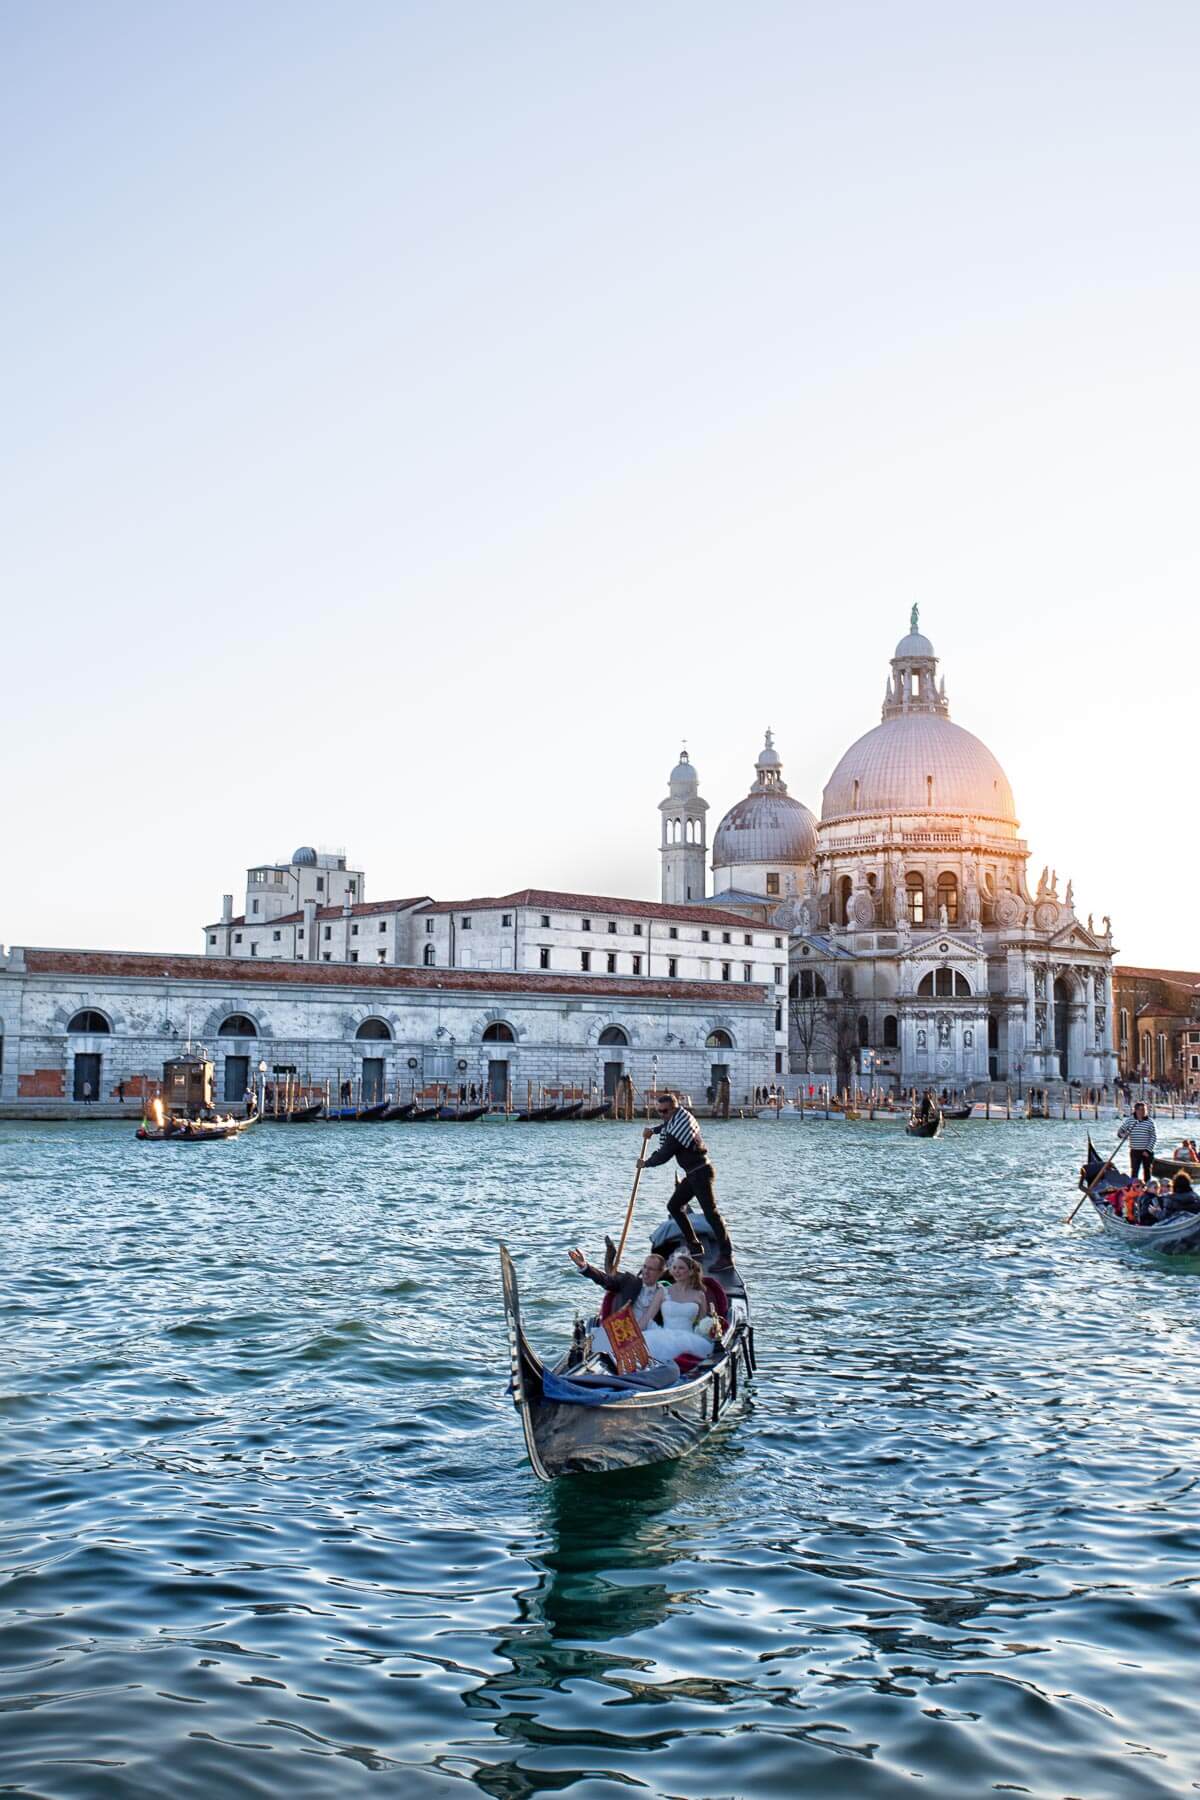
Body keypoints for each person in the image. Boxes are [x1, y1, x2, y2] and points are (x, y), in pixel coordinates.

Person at [638, 1092, 735, 1268]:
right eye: (659, 1111)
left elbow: (664, 1155)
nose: (662, 1114)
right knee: (674, 1207)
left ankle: (726, 1256)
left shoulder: (678, 1129)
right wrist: (653, 1130)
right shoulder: (680, 1118)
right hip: (694, 1174)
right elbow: (667, 1125)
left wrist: (645, 1163)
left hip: (701, 1174)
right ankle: (695, 1246)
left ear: (674, 1109)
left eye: (665, 1111)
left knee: (711, 1214)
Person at [568, 1247, 665, 1336]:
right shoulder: (629, 1281)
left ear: (660, 1272)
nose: (646, 1272)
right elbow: (604, 1279)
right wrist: (584, 1266)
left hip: (652, 1336)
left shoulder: (664, 1293)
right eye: (645, 1267)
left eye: (651, 1269)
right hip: (622, 1336)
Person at [642, 1252, 717, 1360]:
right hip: (663, 1337)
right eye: (674, 1268)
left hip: (690, 1339)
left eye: (681, 1268)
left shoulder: (699, 1295)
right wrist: (632, 1335)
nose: (676, 1271)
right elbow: (647, 1317)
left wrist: (709, 1328)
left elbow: (701, 1323)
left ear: (691, 1272)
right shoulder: (663, 1291)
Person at [1117, 1102, 1156, 1182]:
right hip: (1135, 1150)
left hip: (1147, 1151)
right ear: (1136, 1110)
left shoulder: (1150, 1121)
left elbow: (1153, 1137)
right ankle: (1134, 1188)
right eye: (1140, 1109)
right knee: (1134, 1170)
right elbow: (1120, 1132)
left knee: (1147, 1171)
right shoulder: (1130, 1120)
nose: (1142, 1112)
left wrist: (1148, 1150)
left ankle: (1147, 1188)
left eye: (1144, 1110)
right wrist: (1123, 1135)